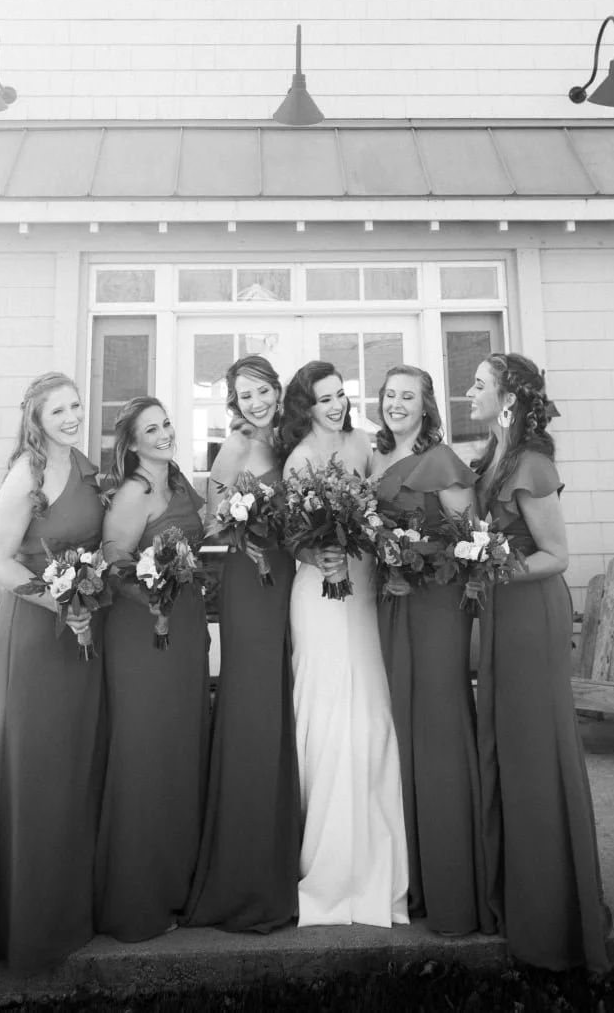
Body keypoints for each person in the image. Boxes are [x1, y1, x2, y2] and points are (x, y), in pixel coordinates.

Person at [468, 353, 610, 973]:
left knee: (536, 751)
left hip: (531, 616)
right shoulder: (491, 457)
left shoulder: (531, 464)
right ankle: (523, 892)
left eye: (478, 384)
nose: (468, 390)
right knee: (509, 746)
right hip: (503, 614)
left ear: (506, 399)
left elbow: (556, 555)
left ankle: (554, 913)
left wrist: (489, 568)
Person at [0, 372, 106, 978]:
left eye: (76, 406)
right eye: (59, 411)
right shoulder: (27, 473)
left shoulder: (86, 465)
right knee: (38, 764)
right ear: (36, 419)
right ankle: (26, 921)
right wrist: (62, 602)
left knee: (76, 763)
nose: (72, 417)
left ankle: (67, 907)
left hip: (81, 633)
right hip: (37, 632)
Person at [371, 365, 497, 938]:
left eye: (408, 397)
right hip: (393, 604)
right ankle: (417, 876)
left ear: (426, 406)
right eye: (390, 395)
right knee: (405, 729)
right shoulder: (376, 460)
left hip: (435, 606)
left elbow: (470, 540)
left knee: (439, 727)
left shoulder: (443, 461)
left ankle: (457, 888)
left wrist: (409, 556)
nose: (397, 404)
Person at [282, 360, 408, 928]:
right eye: (324, 399)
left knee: (372, 704)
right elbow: (293, 538)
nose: (336, 405)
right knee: (329, 704)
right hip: (321, 593)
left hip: (365, 590)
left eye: (340, 395)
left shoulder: (366, 446)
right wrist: (314, 553)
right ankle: (328, 854)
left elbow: (391, 499)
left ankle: (377, 847)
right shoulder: (299, 459)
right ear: (305, 407)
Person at [185, 355, 300, 932]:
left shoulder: (291, 441)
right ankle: (247, 870)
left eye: (262, 391)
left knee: (292, 698)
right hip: (251, 581)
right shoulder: (234, 448)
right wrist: (246, 529)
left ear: (278, 390)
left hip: (293, 579)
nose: (254, 402)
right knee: (255, 703)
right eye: (244, 394)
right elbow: (212, 522)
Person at [94, 397, 210, 942]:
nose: (164, 433)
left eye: (166, 423)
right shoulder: (132, 493)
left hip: (186, 628)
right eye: (151, 429)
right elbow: (112, 563)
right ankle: (136, 897)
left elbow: (197, 539)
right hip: (144, 631)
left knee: (180, 748)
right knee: (145, 752)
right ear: (133, 443)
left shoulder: (183, 485)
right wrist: (153, 598)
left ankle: (177, 885)